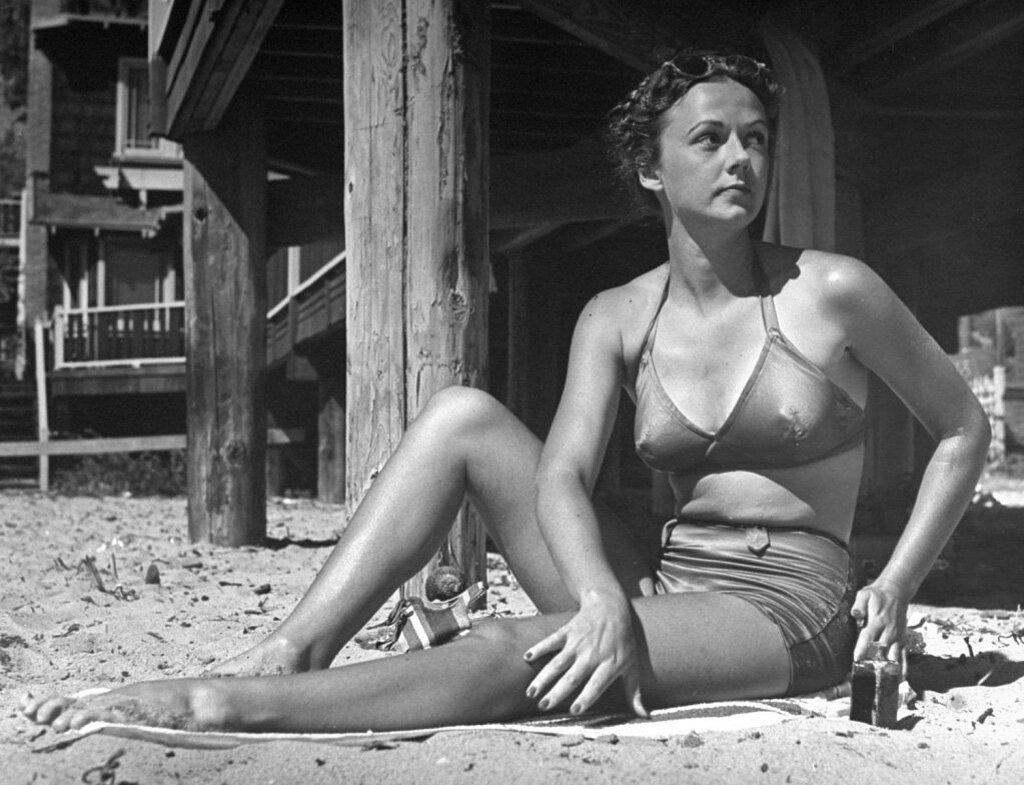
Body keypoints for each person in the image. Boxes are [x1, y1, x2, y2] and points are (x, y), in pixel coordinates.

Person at [22, 50, 989, 735]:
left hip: (787, 605)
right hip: (654, 580)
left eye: (756, 139)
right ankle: (294, 649)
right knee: (462, 417)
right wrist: (603, 594)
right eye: (710, 139)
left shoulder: (830, 289)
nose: (741, 159)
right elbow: (560, 475)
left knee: (510, 651)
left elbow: (961, 428)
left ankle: (217, 705)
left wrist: (895, 583)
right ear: (651, 168)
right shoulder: (617, 315)